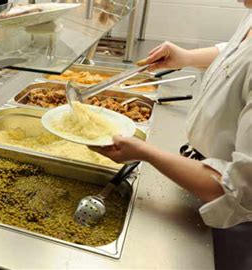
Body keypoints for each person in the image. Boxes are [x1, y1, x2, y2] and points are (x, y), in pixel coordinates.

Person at [91, 3, 252, 229]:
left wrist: (145, 152)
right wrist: (185, 57)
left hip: (228, 219)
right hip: (198, 171)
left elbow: (241, 192)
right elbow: (236, 51)